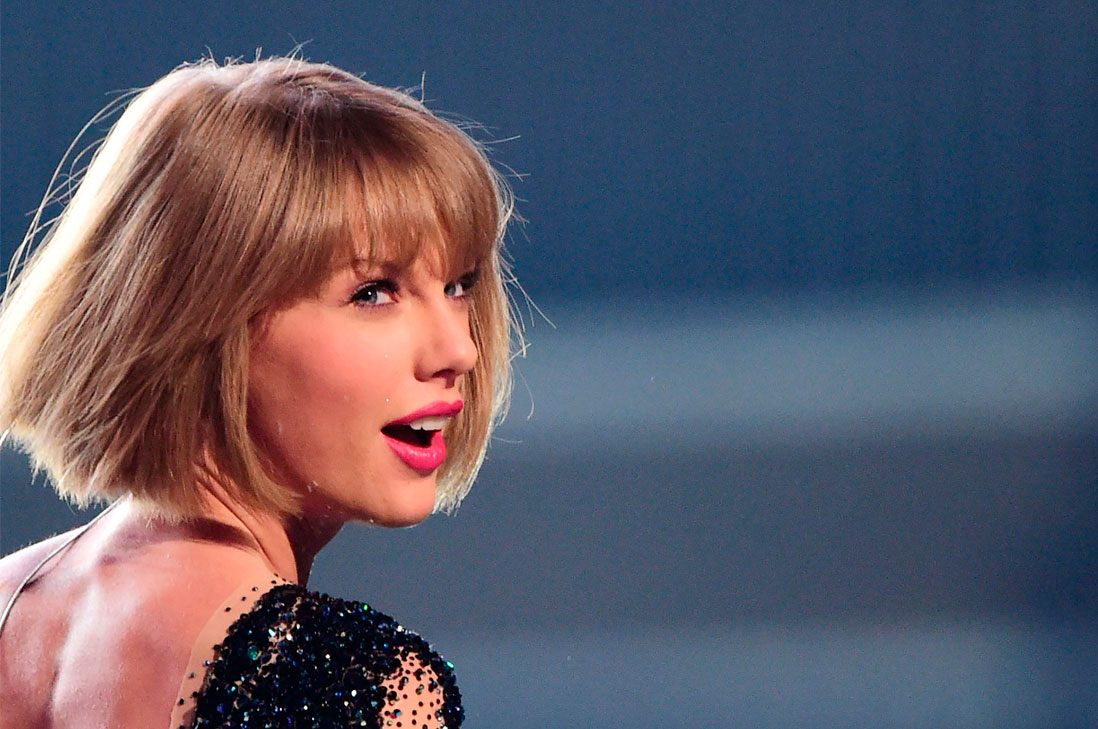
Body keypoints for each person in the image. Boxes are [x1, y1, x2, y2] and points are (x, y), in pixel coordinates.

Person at [0, 55, 515, 729]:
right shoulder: (351, 687)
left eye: (458, 285)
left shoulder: (11, 608)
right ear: (203, 324)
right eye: (373, 293)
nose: (459, 350)